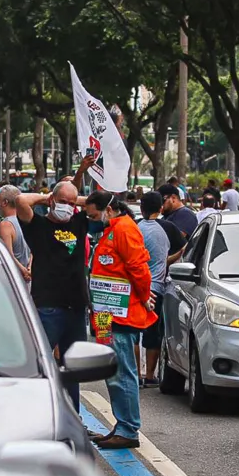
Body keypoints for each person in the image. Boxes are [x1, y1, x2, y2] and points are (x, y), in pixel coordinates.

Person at [15, 155, 96, 411]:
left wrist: (74, 196)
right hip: (47, 306)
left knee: (72, 366)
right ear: (51, 201)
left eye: (72, 204)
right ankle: (33, 411)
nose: (68, 207)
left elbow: (97, 205)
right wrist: (48, 198)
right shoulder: (37, 226)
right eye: (63, 202)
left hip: (75, 308)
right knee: (39, 363)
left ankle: (73, 413)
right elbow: (20, 200)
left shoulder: (79, 223)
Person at [85, 191, 153, 450]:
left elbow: (140, 269)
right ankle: (121, 423)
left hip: (119, 315)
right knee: (111, 370)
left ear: (109, 209)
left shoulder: (124, 229)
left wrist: (145, 297)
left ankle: (127, 428)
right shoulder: (111, 229)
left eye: (94, 214)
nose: (92, 219)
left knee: (121, 370)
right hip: (105, 314)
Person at [133, 192, 172, 387]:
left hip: (135, 287)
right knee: (152, 334)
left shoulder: (136, 229)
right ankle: (149, 375)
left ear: (141, 208)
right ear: (161, 208)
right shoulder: (164, 231)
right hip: (156, 289)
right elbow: (165, 259)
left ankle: (136, 375)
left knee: (133, 333)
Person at [0, 185, 31, 282]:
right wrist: (29, 269)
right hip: (27, 279)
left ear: (5, 202)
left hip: (13, 279)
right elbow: (34, 250)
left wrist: (23, 271)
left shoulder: (6, 225)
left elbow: (8, 255)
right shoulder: (27, 221)